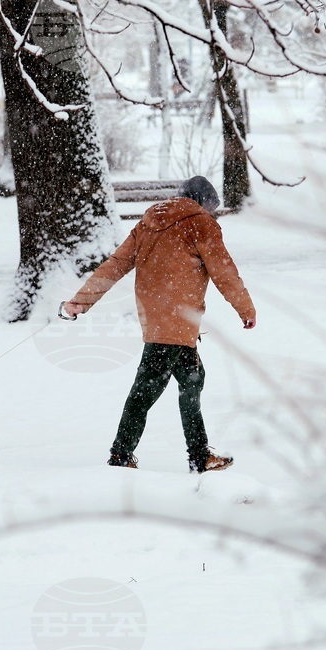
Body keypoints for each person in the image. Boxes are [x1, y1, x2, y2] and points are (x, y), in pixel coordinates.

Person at [61, 176, 256, 473]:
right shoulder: (201, 223)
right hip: (178, 320)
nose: (212, 213)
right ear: (203, 202)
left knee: (193, 379)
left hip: (156, 315)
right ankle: (121, 456)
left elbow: (115, 264)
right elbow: (224, 271)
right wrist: (245, 308)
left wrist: (81, 300)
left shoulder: (148, 223)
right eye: (211, 207)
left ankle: (199, 454)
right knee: (144, 391)